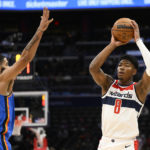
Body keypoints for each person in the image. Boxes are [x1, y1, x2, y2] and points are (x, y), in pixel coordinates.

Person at [89, 20, 150, 150]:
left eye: (126, 65)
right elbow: (93, 68)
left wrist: (138, 40)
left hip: (126, 144)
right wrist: (112, 45)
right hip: (105, 142)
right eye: (120, 65)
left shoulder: (139, 89)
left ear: (134, 71)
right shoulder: (108, 84)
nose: (121, 68)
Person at [0, 7, 53, 150]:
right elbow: (25, 58)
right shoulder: (2, 78)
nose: (10, 68)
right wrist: (40, 30)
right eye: (6, 65)